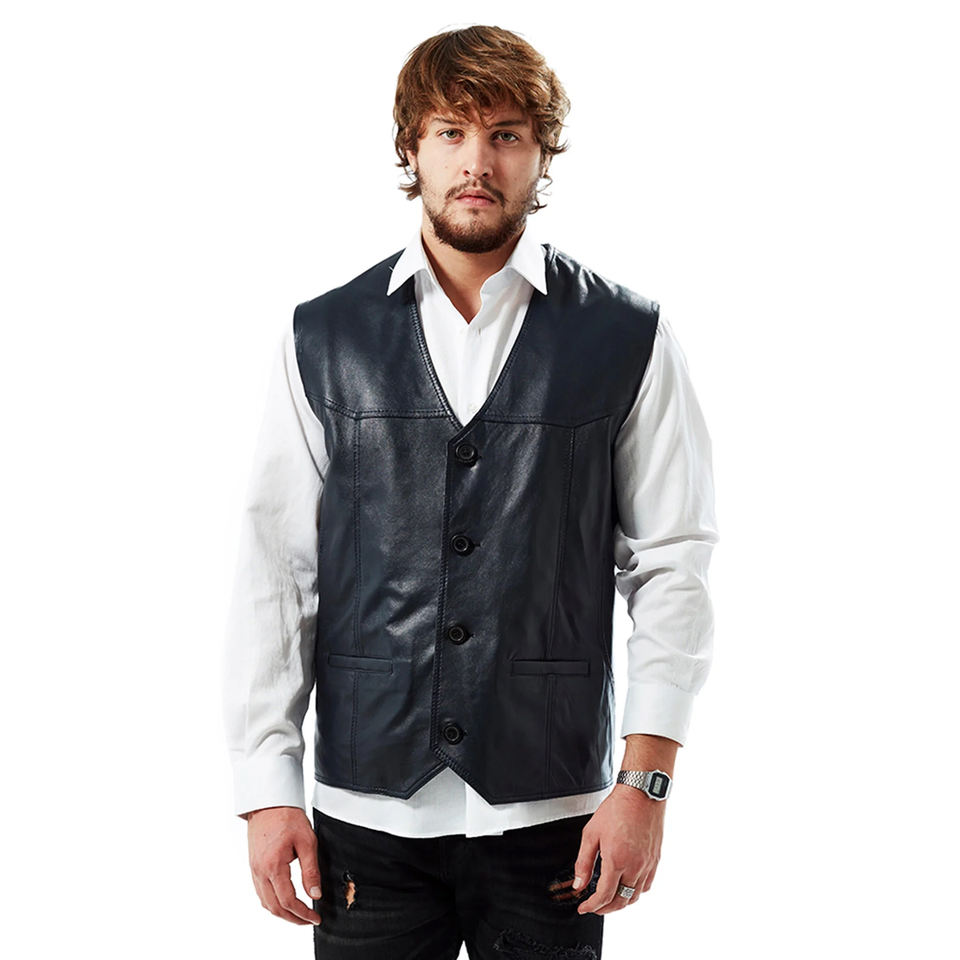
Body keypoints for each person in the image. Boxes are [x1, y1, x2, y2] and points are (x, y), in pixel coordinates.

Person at [222, 23, 718, 960]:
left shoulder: (628, 336)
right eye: (450, 132)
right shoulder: (321, 337)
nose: (476, 162)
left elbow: (672, 565)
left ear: (542, 155)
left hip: (556, 819)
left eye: (505, 135)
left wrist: (645, 784)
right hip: (365, 814)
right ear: (411, 148)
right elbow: (278, 572)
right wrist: (267, 789)